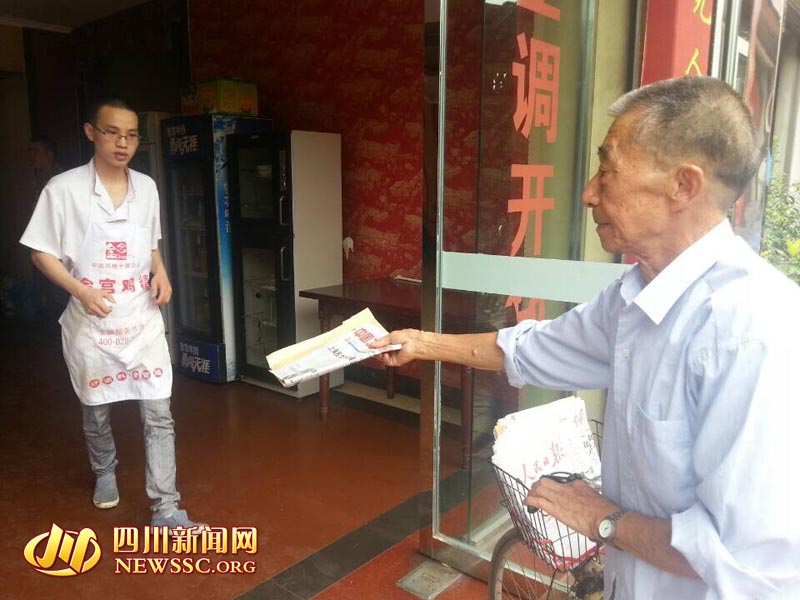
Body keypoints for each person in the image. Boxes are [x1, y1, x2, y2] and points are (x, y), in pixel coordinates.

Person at [371, 76, 800, 599]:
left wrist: (601, 517)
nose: (588, 193)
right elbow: (531, 349)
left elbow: (738, 554)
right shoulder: (634, 295)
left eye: (607, 170)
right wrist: (421, 343)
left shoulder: (752, 332)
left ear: (683, 186)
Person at [19, 97, 205, 532]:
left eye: (132, 135)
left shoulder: (147, 187)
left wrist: (162, 273)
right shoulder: (63, 190)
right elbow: (40, 253)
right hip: (93, 322)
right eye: (112, 133)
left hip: (141, 321)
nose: (123, 143)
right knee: (96, 408)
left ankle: (166, 506)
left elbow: (150, 243)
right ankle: (104, 470)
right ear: (91, 133)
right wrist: (80, 290)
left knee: (158, 411)